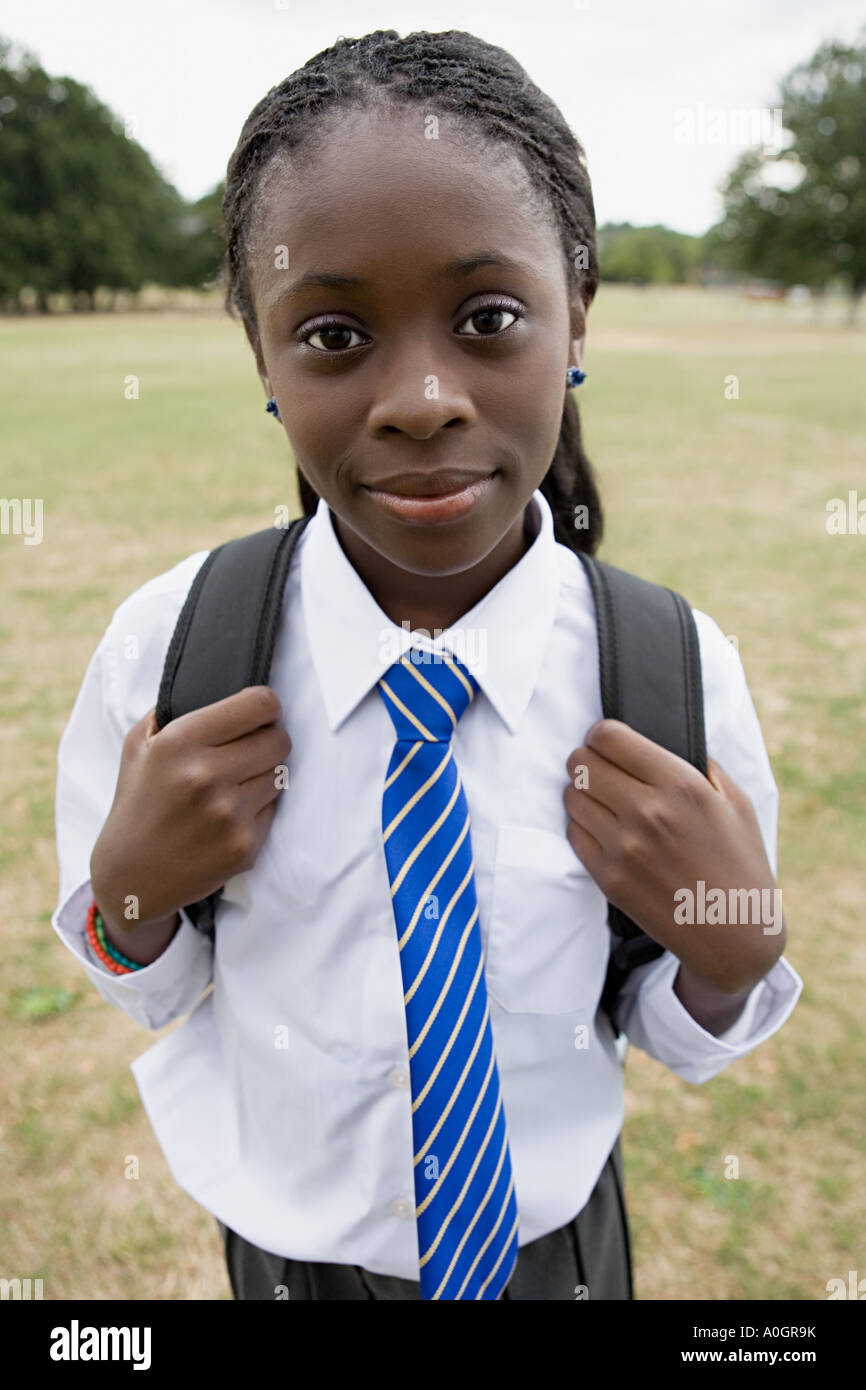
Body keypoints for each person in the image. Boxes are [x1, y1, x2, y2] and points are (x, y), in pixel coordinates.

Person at [51, 28, 803, 1301]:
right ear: (264, 364)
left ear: (577, 318)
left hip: (558, 1265)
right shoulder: (175, 649)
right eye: (335, 335)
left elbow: (677, 1034)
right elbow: (146, 982)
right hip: (292, 1272)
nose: (421, 397)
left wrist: (733, 945)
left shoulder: (667, 668)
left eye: (488, 317)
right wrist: (131, 893)